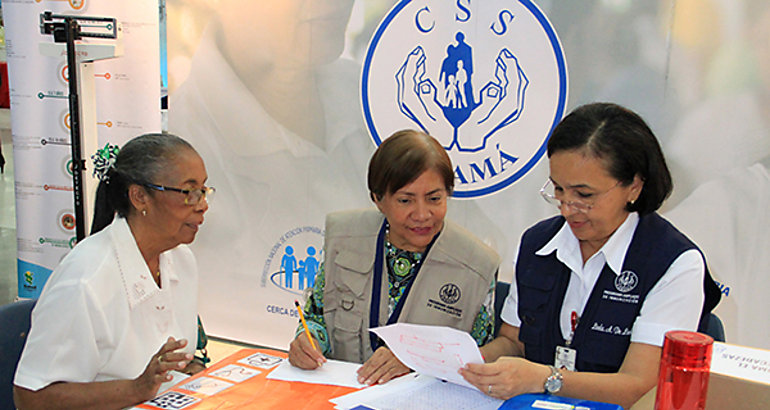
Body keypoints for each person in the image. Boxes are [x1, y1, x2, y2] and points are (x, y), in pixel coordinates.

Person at [460, 103, 720, 409]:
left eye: (584, 195)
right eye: (558, 189)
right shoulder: (537, 244)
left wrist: (545, 379)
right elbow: (514, 342)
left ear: (633, 187)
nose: (567, 207)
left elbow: (639, 386)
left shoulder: (673, 263)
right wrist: (468, 364)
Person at [13, 133, 213, 409]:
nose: (202, 204)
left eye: (203, 190)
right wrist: (137, 389)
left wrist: (190, 371)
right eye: (189, 192)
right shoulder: (86, 280)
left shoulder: (181, 260)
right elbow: (30, 398)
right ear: (140, 196)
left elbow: (175, 361)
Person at [288, 129, 500, 385]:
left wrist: (419, 360)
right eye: (405, 200)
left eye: (434, 198)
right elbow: (316, 318)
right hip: (341, 395)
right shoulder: (344, 240)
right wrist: (307, 341)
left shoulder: (477, 266)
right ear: (378, 199)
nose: (422, 214)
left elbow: (478, 359)